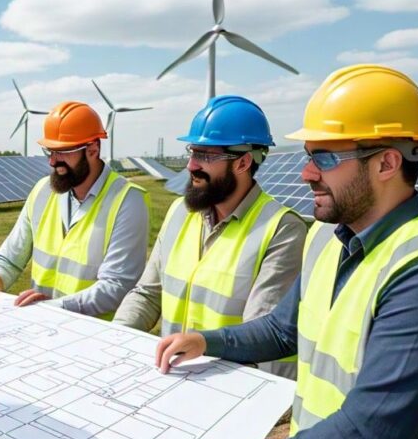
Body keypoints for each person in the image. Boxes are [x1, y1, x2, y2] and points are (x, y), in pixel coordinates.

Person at [157, 65, 418, 439]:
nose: (306, 173)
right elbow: (283, 330)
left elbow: (368, 437)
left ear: (387, 163)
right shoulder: (328, 240)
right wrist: (207, 341)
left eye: (324, 157)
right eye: (308, 156)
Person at [114, 96, 305, 379]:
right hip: (171, 378)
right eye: (192, 152)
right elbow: (147, 294)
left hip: (230, 388)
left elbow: (263, 334)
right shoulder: (180, 211)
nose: (190, 166)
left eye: (205, 155)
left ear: (242, 163)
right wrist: (112, 337)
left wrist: (205, 348)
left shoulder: (281, 229)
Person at [0, 101, 149, 317]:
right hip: (42, 325)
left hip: (93, 337)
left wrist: (58, 307)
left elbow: (116, 286)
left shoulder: (128, 201)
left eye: (63, 152)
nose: (53, 161)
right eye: (50, 151)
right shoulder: (43, 190)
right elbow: (10, 257)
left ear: (93, 149)